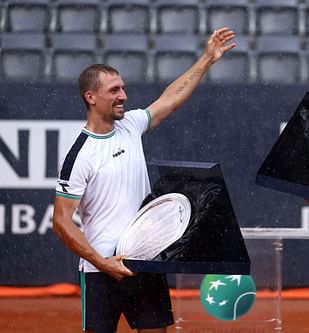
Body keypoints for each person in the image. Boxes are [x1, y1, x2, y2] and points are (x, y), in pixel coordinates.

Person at [52, 27, 236, 333]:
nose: (123, 95)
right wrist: (101, 261)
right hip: (101, 271)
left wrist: (207, 59)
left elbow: (170, 100)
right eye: (113, 91)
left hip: (147, 261)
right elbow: (61, 221)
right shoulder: (79, 155)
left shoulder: (131, 125)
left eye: (122, 88)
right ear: (91, 97)